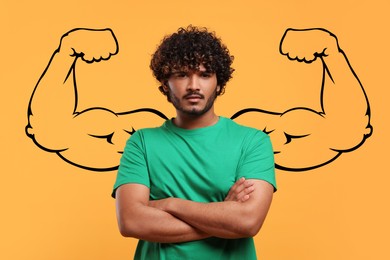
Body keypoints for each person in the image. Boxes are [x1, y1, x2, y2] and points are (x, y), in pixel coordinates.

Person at [112, 26, 276, 259]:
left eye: (205, 74)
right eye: (181, 75)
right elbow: (131, 222)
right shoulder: (141, 143)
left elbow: (248, 221)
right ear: (164, 85)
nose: (193, 85)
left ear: (219, 83)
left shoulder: (252, 141)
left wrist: (169, 204)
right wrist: (223, 217)